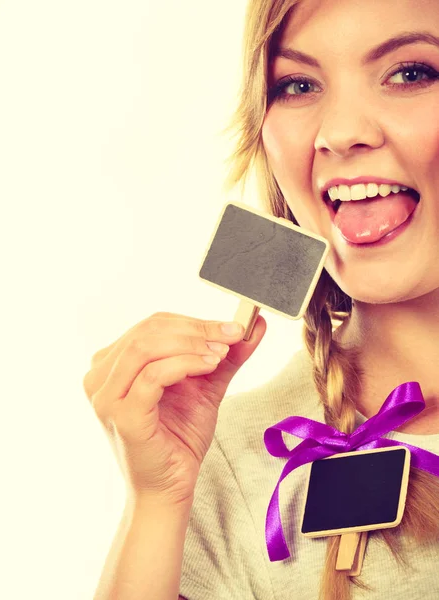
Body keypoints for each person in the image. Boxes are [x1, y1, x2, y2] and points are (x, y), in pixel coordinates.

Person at [83, 0, 439, 598]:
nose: (343, 132)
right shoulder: (217, 459)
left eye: (411, 73)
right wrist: (158, 503)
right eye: (297, 84)